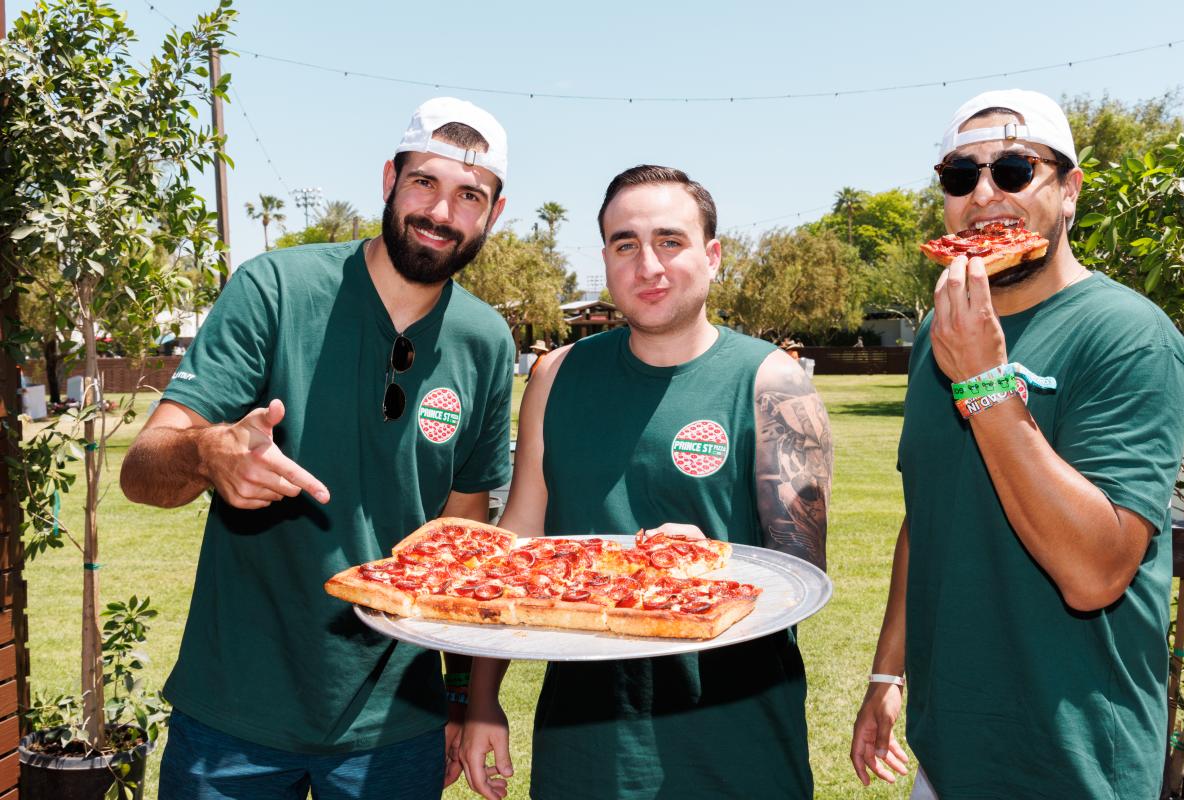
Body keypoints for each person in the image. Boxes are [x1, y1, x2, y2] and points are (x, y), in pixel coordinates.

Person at [120, 96, 516, 799]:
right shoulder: (274, 289)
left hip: (397, 723)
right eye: (424, 182)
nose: (441, 212)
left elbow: (466, 545)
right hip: (234, 715)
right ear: (389, 178)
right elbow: (142, 470)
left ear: (493, 212)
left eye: (469, 195)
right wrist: (207, 453)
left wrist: (462, 696)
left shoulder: (485, 343)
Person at [849, 89, 1184, 799]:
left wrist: (983, 383)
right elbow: (929, 514)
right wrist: (888, 674)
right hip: (947, 755)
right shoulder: (942, 334)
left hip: (1073, 765)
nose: (983, 195)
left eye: (1013, 170)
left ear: (1068, 190)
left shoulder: (1129, 338)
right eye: (958, 176)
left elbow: (1094, 571)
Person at [460, 165, 833, 800]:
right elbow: (517, 546)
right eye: (625, 244)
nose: (648, 266)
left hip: (733, 734)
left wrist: (706, 562)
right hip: (587, 736)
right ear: (605, 257)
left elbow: (802, 575)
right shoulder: (556, 376)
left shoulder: (774, 382)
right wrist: (480, 698)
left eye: (670, 241)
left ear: (712, 256)